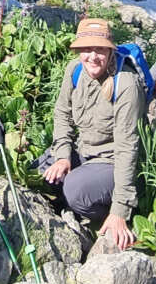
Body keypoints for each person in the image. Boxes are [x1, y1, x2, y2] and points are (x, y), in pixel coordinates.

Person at [40, 16, 144, 250]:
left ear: (109, 51)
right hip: (83, 151)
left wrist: (120, 211)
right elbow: (62, 113)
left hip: (112, 161)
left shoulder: (125, 83)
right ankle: (75, 198)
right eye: (86, 49)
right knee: (42, 171)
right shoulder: (75, 70)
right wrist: (63, 156)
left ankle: (109, 214)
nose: (92, 56)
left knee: (75, 190)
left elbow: (128, 147)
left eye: (99, 49)